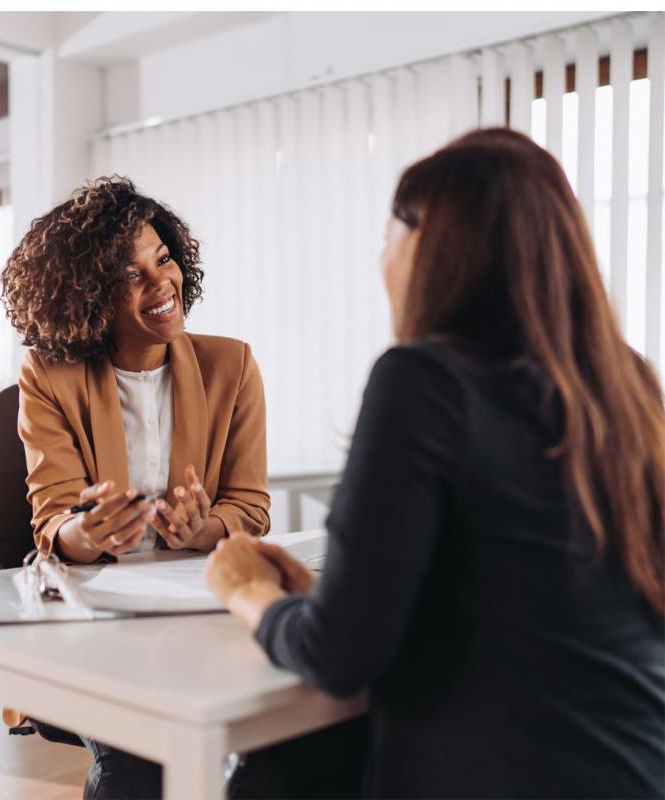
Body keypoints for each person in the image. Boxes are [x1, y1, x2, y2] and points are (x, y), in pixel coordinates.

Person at [208, 128, 665, 799]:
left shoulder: (422, 381)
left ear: (433, 245)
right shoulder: (625, 384)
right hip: (638, 767)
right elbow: (535, 600)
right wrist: (335, 598)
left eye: (389, 233)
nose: (380, 257)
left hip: (510, 776)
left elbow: (337, 658)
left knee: (274, 774)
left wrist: (246, 589)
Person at [0, 176, 270, 799]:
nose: (160, 286)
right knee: (140, 759)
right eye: (130, 274)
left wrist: (205, 528)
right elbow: (52, 525)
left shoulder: (232, 366)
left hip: (199, 615)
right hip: (95, 623)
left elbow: (250, 506)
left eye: (164, 260)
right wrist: (89, 532)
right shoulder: (50, 375)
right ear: (87, 293)